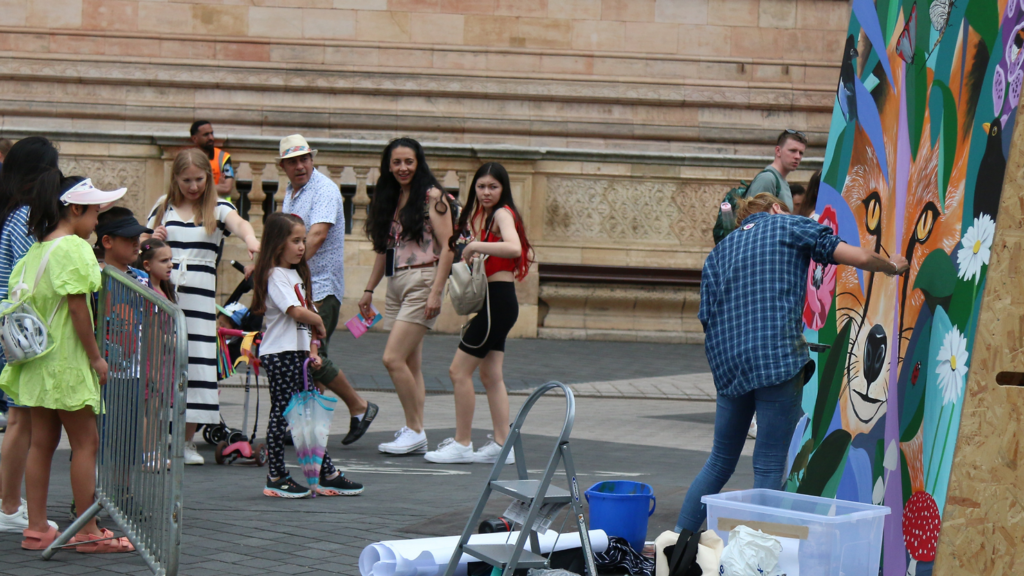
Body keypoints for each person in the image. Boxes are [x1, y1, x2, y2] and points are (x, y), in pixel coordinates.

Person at [674, 193, 909, 533]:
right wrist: (892, 266)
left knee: (719, 461)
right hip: (775, 358)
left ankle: (673, 543)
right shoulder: (788, 224)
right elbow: (854, 256)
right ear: (776, 208)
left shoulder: (719, 252)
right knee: (768, 465)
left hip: (728, 364)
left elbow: (706, 316)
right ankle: (757, 558)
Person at [0, 171, 135, 552]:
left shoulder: (34, 252)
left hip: (37, 365)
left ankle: (37, 527)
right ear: (74, 209)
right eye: (94, 213)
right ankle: (89, 530)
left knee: (41, 443)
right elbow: (79, 311)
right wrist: (96, 358)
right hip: (67, 362)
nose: (97, 222)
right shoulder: (74, 249)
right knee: (86, 441)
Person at [144, 148, 260, 466]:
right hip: (164, 297)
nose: (193, 186)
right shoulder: (162, 207)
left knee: (195, 367)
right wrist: (150, 237)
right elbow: (141, 244)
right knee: (160, 367)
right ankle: (154, 441)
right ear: (176, 179)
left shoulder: (218, 208)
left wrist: (251, 241)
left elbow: (241, 224)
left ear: (208, 178)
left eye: (199, 179)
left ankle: (186, 442)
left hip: (198, 300)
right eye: (186, 181)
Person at [424, 163, 533, 465]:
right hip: (497, 302)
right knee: (490, 374)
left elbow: (513, 248)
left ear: (503, 189)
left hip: (497, 303)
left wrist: (474, 245)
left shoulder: (502, 213)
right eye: (481, 186)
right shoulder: (485, 215)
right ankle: (502, 445)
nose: (486, 192)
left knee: (459, 371)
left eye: (493, 187)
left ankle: (462, 443)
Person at [251, 213, 365, 497]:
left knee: (307, 416)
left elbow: (307, 315)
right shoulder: (275, 275)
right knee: (283, 414)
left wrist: (313, 349)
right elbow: (296, 312)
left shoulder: (296, 274)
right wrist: (318, 322)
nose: (302, 246)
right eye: (296, 241)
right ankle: (276, 476)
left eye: (303, 240)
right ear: (278, 244)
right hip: (279, 354)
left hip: (297, 353)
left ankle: (326, 473)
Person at [277, 134, 378, 446]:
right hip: (303, 288)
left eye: (304, 158)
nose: (300, 165)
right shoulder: (291, 193)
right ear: (282, 166)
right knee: (308, 356)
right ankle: (306, 425)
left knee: (312, 356)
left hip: (320, 289)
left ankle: (360, 406)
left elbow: (317, 235)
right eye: (292, 161)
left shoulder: (324, 190)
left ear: (312, 159)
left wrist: (283, 267)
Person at [359, 138, 455, 455]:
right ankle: (415, 429)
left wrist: (436, 293)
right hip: (396, 281)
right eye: (397, 162)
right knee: (412, 364)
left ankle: (415, 430)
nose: (403, 168)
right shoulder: (391, 197)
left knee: (392, 358)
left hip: (423, 279)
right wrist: (369, 289)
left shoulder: (432, 197)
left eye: (409, 162)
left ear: (419, 163)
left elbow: (448, 248)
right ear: (388, 165)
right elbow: (383, 249)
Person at [0, 136, 59, 533]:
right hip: (21, 330)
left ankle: (9, 505)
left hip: (13, 327)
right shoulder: (25, 218)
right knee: (22, 419)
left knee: (19, 418)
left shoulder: (13, 213)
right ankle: (9, 507)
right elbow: (33, 274)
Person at [745, 129, 807, 211]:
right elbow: (754, 218)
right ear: (778, 151)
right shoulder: (767, 179)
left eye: (801, 153)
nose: (797, 156)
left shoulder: (781, 181)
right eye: (793, 151)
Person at [94, 206, 151, 285]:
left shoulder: (143, 278)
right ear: (107, 241)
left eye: (137, 237)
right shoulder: (93, 277)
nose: (136, 243)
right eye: (130, 237)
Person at [190, 120, 234, 199]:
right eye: (206, 135)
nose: (211, 137)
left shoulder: (223, 157)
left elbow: (227, 188)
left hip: (220, 206)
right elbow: (183, 187)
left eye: (211, 133)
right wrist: (217, 186)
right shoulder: (189, 158)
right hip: (197, 205)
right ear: (195, 138)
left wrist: (199, 188)